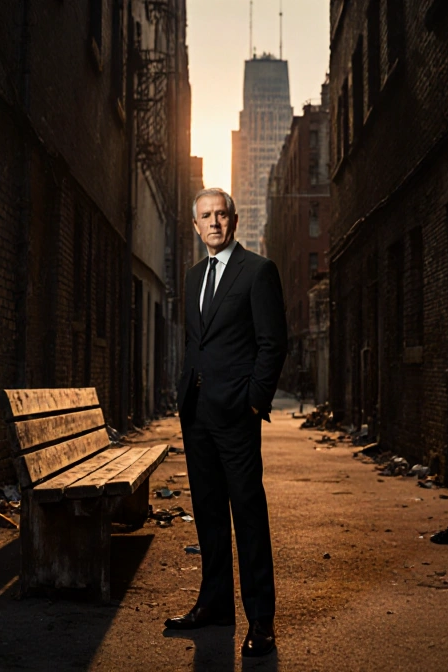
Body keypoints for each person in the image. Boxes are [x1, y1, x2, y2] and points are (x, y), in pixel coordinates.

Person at [166, 188, 287, 658]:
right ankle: (215, 605)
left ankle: (261, 621)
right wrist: (184, 392)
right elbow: (196, 342)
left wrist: (254, 402)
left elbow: (273, 342)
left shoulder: (258, 271)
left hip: (236, 414)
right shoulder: (194, 275)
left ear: (233, 221)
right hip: (197, 412)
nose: (214, 222)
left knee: (248, 514)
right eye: (206, 216)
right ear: (196, 226)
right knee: (209, 513)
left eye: (221, 214)